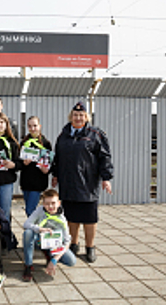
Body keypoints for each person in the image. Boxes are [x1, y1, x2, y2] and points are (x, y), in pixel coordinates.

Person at [50, 101, 114, 263]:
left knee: (89, 218)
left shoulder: (95, 134)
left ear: (86, 117)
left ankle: (90, 247)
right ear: (71, 116)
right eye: (75, 115)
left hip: (88, 183)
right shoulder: (63, 135)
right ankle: (73, 244)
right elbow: (57, 157)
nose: (78, 118)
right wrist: (55, 175)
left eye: (81, 115)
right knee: (71, 217)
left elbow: (104, 157)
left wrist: (106, 178)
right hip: (68, 182)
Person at [22, 189, 76, 282]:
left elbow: (67, 242)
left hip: (54, 243)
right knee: (28, 233)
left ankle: (50, 255)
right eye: (47, 203)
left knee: (71, 261)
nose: (50, 206)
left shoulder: (62, 219)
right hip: (39, 240)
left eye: (53, 203)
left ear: (59, 203)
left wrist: (55, 260)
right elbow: (26, 224)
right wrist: (39, 229)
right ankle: (28, 265)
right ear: (43, 204)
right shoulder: (40, 210)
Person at [19, 116, 52, 217]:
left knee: (30, 210)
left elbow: (50, 162)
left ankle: (35, 230)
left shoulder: (46, 143)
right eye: (30, 126)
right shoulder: (24, 143)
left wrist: (46, 169)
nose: (32, 128)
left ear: (40, 126)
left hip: (38, 181)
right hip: (25, 181)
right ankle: (37, 228)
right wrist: (23, 163)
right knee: (29, 209)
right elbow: (18, 163)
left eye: (35, 126)